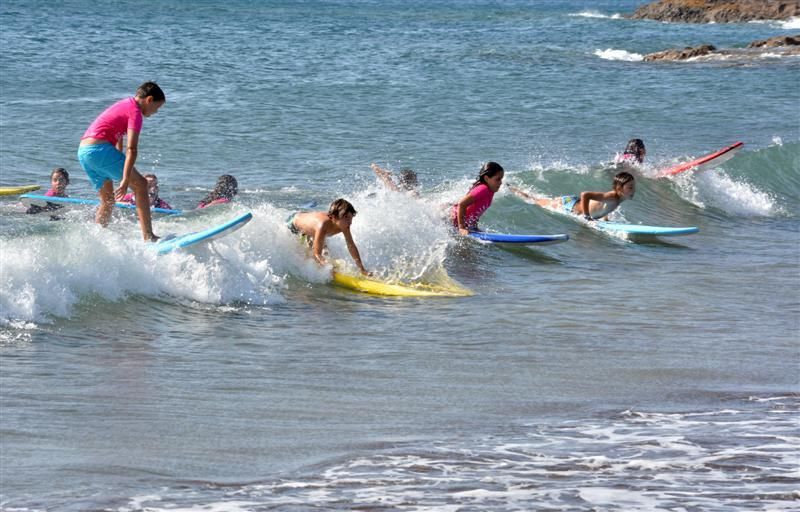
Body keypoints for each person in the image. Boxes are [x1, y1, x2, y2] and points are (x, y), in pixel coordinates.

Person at [77, 81, 165, 241]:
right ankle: (148, 236)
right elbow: (132, 149)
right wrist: (125, 179)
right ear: (149, 100)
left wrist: (119, 160)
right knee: (141, 185)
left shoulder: (125, 104)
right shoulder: (136, 112)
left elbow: (118, 135)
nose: (156, 112)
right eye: (157, 108)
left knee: (108, 200)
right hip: (99, 150)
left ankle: (96, 238)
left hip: (84, 152)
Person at [286, 198, 369, 275]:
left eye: (351, 218)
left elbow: (351, 245)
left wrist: (362, 269)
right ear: (333, 217)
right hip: (293, 224)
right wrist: (329, 268)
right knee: (311, 256)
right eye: (346, 217)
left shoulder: (344, 225)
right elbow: (317, 254)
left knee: (325, 253)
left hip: (312, 227)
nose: (349, 221)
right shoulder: (322, 226)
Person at [510, 171, 636, 221]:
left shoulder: (619, 198)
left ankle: (513, 188)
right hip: (569, 205)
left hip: (574, 202)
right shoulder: (612, 196)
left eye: (633, 186)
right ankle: (512, 189)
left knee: (537, 199)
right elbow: (585, 194)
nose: (633, 189)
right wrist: (587, 216)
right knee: (534, 200)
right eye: (630, 187)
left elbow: (604, 206)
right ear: (619, 188)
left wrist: (605, 219)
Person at [452, 161, 504, 235]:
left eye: (501, 179)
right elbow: (462, 204)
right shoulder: (483, 189)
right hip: (452, 220)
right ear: (486, 178)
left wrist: (474, 227)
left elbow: (476, 210)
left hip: (459, 222)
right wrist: (462, 228)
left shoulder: (491, 191)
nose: (501, 182)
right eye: (498, 179)